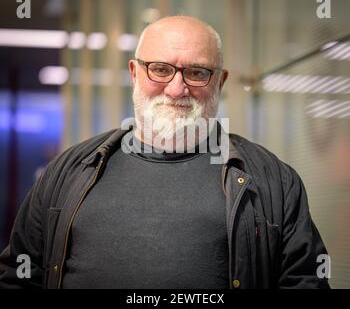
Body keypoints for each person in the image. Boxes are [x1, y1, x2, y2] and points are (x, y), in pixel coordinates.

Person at [0, 16, 330, 289]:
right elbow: (19, 274)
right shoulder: (69, 171)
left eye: (197, 72)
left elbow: (305, 282)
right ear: (134, 73)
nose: (176, 88)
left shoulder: (274, 182)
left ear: (221, 82)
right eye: (160, 69)